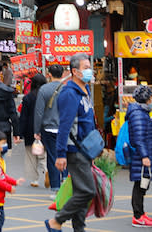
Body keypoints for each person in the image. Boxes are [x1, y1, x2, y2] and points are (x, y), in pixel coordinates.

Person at [45, 54, 97, 232]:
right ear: (75, 71)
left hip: (86, 149)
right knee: (88, 191)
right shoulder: (69, 93)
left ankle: (79, 229)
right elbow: (64, 126)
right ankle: (56, 221)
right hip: (75, 150)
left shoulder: (85, 90)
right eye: (85, 67)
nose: (89, 71)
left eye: (89, 66)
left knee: (80, 192)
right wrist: (60, 154)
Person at [126, 85, 152, 228]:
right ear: (146, 99)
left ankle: (141, 213)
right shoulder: (138, 114)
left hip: (144, 155)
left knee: (143, 184)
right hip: (142, 157)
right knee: (140, 185)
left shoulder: (141, 112)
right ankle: (138, 216)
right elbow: (139, 137)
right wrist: (145, 156)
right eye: (151, 98)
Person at [34, 64, 67, 198]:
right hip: (65, 128)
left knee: (53, 157)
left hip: (48, 128)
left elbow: (39, 112)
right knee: (65, 155)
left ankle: (55, 188)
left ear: (49, 74)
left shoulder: (44, 89)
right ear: (63, 74)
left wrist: (37, 130)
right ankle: (65, 180)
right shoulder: (67, 89)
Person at [18, 72, 47, 188]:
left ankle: (34, 180)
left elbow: (23, 116)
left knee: (31, 155)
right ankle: (47, 171)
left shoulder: (28, 98)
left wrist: (20, 133)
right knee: (44, 154)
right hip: (44, 128)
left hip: (30, 129)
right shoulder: (47, 96)